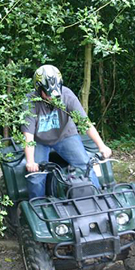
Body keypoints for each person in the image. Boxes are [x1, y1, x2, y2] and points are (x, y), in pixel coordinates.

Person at [21, 64, 112, 199]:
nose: (52, 97)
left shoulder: (67, 95)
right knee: (35, 177)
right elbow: (28, 135)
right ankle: (38, 206)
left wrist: (102, 146)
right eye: (48, 93)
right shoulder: (30, 102)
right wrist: (30, 161)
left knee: (85, 164)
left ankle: (97, 197)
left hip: (65, 135)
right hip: (39, 141)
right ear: (39, 89)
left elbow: (85, 123)